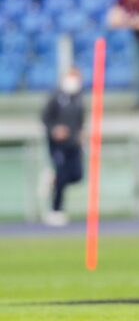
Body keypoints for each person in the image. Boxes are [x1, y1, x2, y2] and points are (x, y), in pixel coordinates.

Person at [40, 68, 85, 227]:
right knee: (62, 176)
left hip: (73, 144)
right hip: (58, 145)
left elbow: (80, 120)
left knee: (77, 175)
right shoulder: (55, 97)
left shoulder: (78, 98)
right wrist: (55, 130)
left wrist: (81, 134)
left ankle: (52, 179)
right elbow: (45, 118)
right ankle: (56, 210)